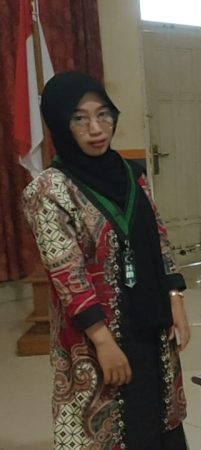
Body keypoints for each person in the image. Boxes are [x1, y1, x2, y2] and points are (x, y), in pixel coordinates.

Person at [22, 72, 190, 449]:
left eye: (103, 115)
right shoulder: (49, 190)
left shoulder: (132, 175)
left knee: (158, 418)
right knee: (112, 429)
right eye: (79, 119)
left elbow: (159, 237)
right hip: (96, 336)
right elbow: (67, 273)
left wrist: (175, 296)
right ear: (60, 125)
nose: (96, 129)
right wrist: (103, 342)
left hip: (149, 323)